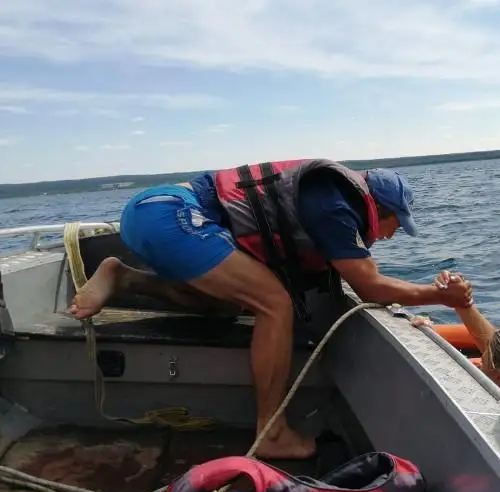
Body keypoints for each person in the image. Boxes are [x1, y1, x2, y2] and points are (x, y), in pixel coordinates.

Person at [68, 158, 473, 460]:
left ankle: (123, 277)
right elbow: (370, 285)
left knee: (223, 306)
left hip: (148, 215)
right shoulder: (335, 204)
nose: (390, 235)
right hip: (170, 215)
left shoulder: (331, 199)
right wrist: (441, 297)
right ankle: (272, 432)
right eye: (395, 225)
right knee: (274, 303)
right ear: (377, 208)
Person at [413, 270, 500, 432]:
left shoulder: (484, 417)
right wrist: (459, 298)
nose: (479, 364)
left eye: (484, 361)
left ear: (499, 376)